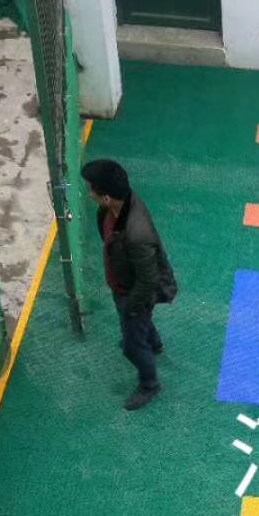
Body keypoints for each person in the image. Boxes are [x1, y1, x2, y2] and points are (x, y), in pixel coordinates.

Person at [81, 159, 178, 411]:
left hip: (133, 293)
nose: (89, 193)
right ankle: (154, 344)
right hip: (123, 285)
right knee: (140, 326)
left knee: (132, 347)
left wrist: (132, 307)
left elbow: (147, 280)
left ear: (106, 197)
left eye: (91, 189)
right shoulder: (112, 208)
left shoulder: (137, 235)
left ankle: (149, 384)